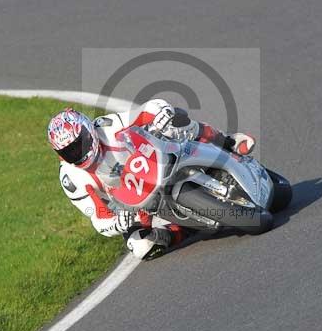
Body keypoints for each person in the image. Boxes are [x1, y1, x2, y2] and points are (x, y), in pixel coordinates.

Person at [47, 99, 255, 260]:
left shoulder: (105, 127)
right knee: (142, 247)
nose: (79, 152)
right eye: (69, 151)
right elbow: (98, 218)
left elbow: (145, 111)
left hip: (152, 158)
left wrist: (161, 113)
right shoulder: (71, 179)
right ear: (60, 154)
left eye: (80, 142)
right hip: (132, 205)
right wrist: (117, 223)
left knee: (176, 121)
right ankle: (182, 229)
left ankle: (227, 141)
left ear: (88, 129)